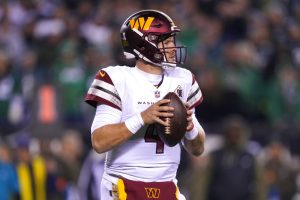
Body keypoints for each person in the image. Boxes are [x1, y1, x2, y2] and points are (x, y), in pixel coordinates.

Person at [85, 9, 205, 200]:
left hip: (168, 186)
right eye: (165, 42)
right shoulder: (117, 78)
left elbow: (198, 149)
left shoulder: (183, 79)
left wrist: (190, 128)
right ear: (143, 45)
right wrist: (142, 118)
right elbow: (99, 142)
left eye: (172, 40)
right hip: (123, 186)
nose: (173, 47)